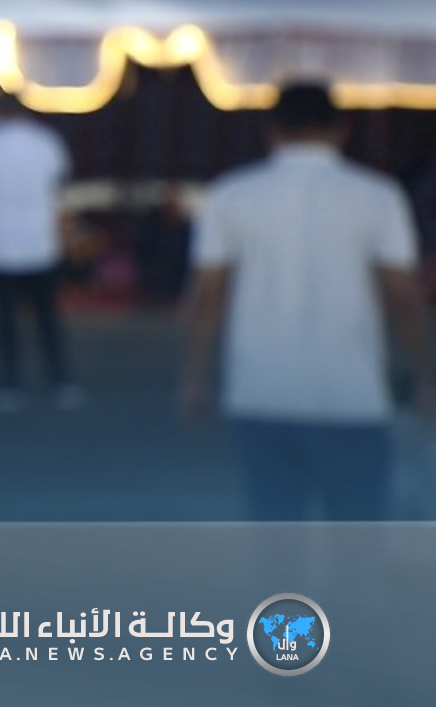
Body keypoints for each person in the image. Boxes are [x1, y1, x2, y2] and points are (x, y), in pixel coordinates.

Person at [181, 83, 433, 520]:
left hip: (260, 391)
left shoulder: (230, 195)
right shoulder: (377, 196)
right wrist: (426, 375)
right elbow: (404, 297)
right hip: (352, 395)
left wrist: (194, 375)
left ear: (271, 129)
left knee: (278, 540)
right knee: (357, 537)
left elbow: (208, 295)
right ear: (341, 129)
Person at [0, 93, 80, 410]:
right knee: (47, 319)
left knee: (5, 320)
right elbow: (59, 186)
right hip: (40, 243)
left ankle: (9, 384)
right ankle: (60, 381)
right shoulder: (46, 143)